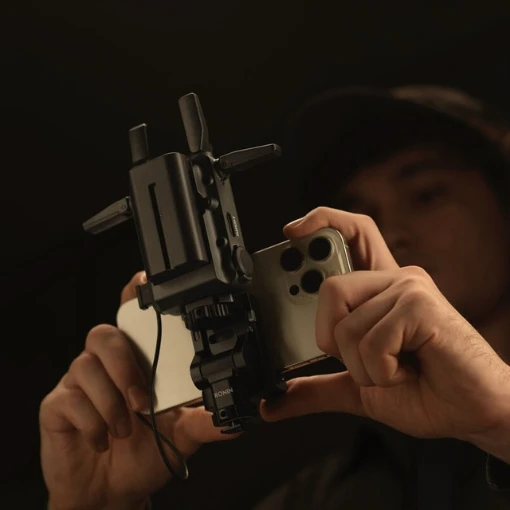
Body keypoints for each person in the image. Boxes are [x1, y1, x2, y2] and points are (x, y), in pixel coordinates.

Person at [39, 84, 510, 510]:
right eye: (361, 210)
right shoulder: (325, 495)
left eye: (426, 194)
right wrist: (91, 504)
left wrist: (499, 419)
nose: (391, 233)